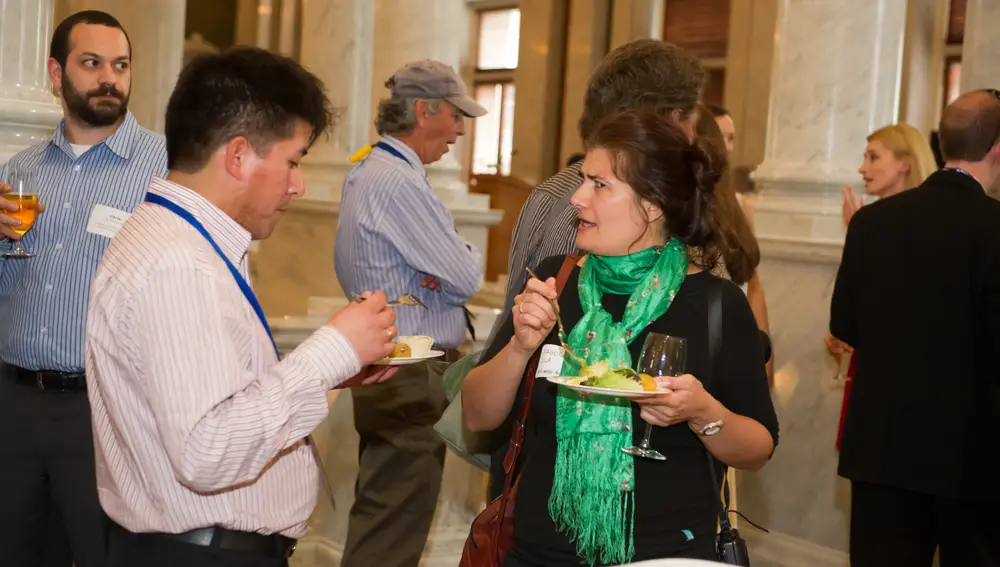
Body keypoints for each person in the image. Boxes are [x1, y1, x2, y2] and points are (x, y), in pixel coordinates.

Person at [84, 46, 400, 567]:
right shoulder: (179, 263)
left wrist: (335, 370)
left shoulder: (181, 235)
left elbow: (215, 394)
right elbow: (206, 452)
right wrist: (328, 352)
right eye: (293, 160)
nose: (298, 184)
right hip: (202, 552)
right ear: (237, 156)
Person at [463, 110, 778, 566]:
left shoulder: (716, 304)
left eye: (599, 184)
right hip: (539, 550)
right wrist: (520, 347)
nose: (576, 197)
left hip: (664, 554)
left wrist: (702, 412)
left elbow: (758, 448)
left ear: (652, 204)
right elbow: (477, 415)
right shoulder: (556, 278)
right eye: (582, 180)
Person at [484, 38, 705, 500]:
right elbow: (521, 324)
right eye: (689, 119)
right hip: (545, 454)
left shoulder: (548, 191)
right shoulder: (589, 218)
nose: (581, 197)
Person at [0, 11, 166, 567]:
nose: (109, 79)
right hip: (15, 404)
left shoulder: (164, 168)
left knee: (103, 557)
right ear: (56, 72)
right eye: (91, 63)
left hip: (105, 409)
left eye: (120, 66)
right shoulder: (21, 170)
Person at [830, 90, 1000, 566]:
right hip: (974, 456)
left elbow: (845, 323)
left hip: (883, 449)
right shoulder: (993, 226)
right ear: (997, 148)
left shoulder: (871, 223)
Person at [334, 60, 486, 567]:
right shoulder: (396, 181)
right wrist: (448, 266)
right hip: (411, 369)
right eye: (456, 116)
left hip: (391, 363)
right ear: (424, 110)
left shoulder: (372, 169)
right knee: (391, 535)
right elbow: (465, 275)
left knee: (384, 516)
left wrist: (438, 269)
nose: (461, 130)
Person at [825, 123, 936, 450]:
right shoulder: (870, 222)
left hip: (905, 376)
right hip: (874, 365)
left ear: (905, 163)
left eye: (874, 157)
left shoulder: (918, 224)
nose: (863, 167)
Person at [695, 105, 772, 383]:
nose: (726, 148)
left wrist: (764, 360)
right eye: (720, 138)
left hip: (731, 344)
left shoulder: (737, 206)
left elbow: (753, 286)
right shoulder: (686, 208)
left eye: (731, 139)